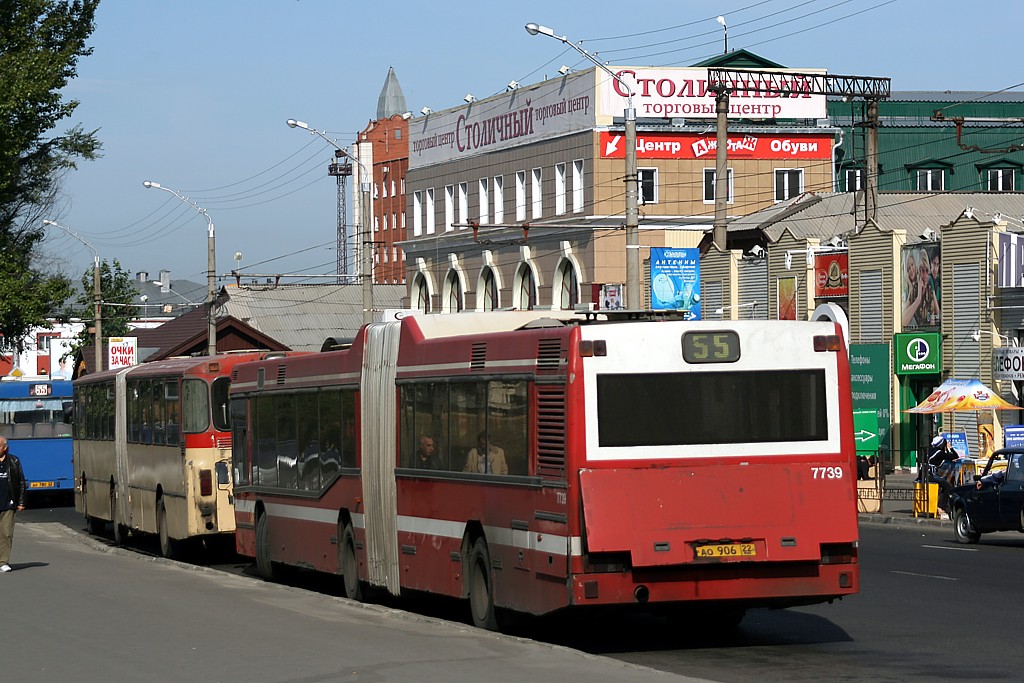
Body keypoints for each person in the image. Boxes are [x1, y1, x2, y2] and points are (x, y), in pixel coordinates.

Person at [0, 436, 26, 572]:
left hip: (8, 504)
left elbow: (21, 482)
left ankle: (3, 561)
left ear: (5, 448)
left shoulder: (13, 461)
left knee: (6, 533)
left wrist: (21, 502)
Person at [926, 435, 960, 518]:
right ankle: (941, 507)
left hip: (927, 474)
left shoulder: (932, 451)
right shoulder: (940, 453)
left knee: (944, 486)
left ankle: (940, 506)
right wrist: (950, 447)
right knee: (949, 487)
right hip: (932, 475)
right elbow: (955, 456)